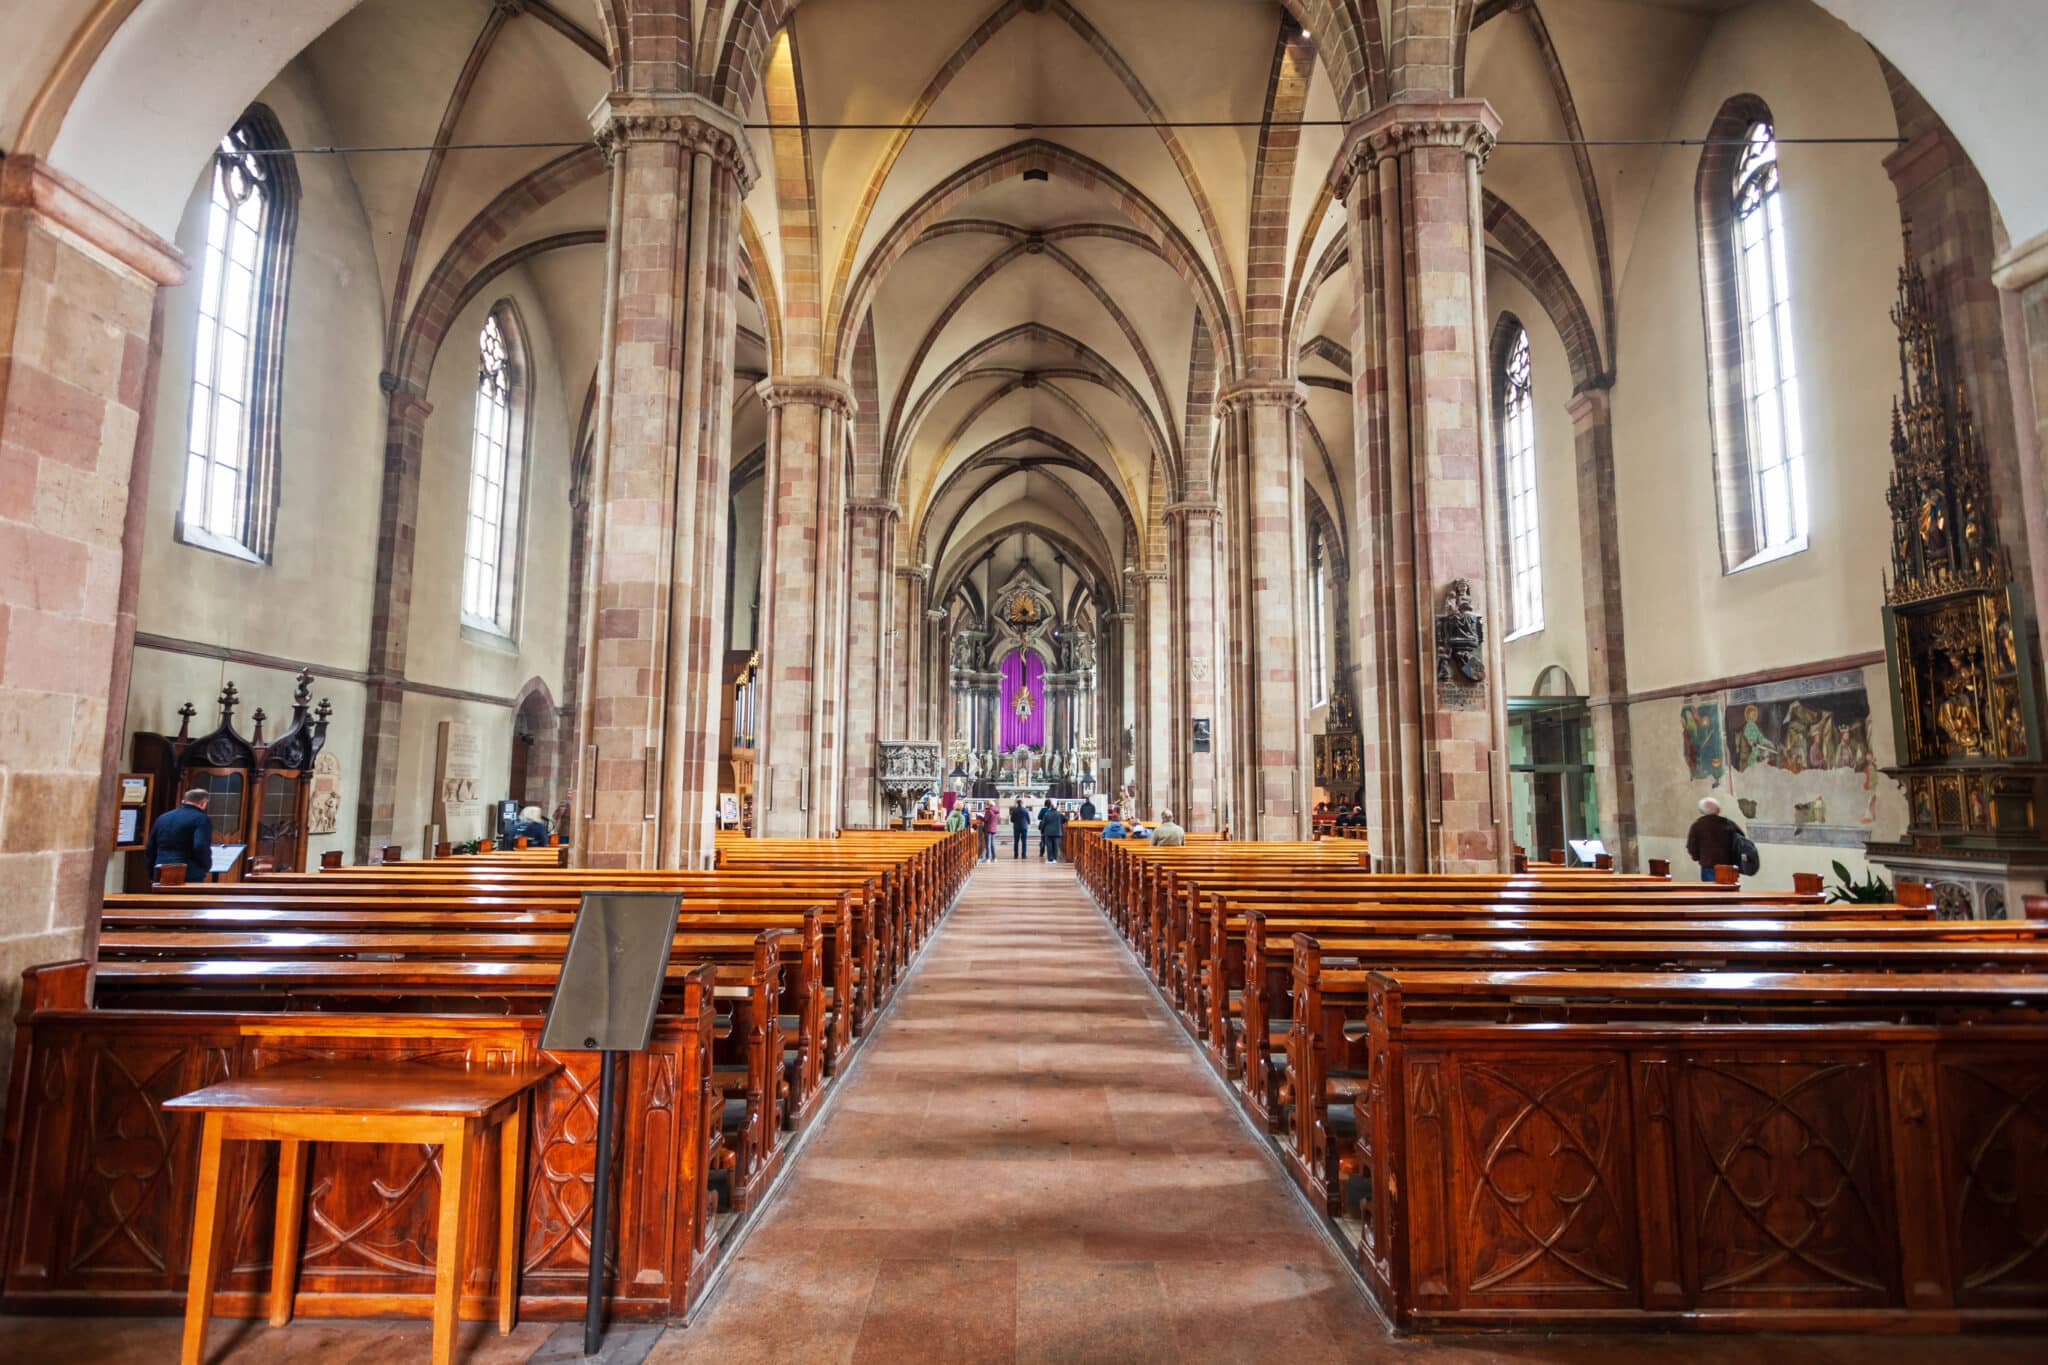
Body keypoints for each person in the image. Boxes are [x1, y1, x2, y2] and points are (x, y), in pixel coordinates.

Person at [144, 787, 214, 883]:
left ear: (184, 800)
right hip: (188, 870)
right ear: (203, 803)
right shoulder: (201, 818)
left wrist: (151, 872)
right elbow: (200, 845)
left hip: (160, 868)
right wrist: (206, 865)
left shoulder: (163, 817)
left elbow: (150, 847)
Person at [1685, 796, 1741, 882]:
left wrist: (1700, 858)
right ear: (1718, 810)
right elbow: (1741, 842)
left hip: (1709, 866)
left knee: (1711, 893)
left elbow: (1691, 847)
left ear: (1701, 811)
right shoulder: (1728, 823)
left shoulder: (1698, 825)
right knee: (1730, 893)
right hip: (1729, 866)